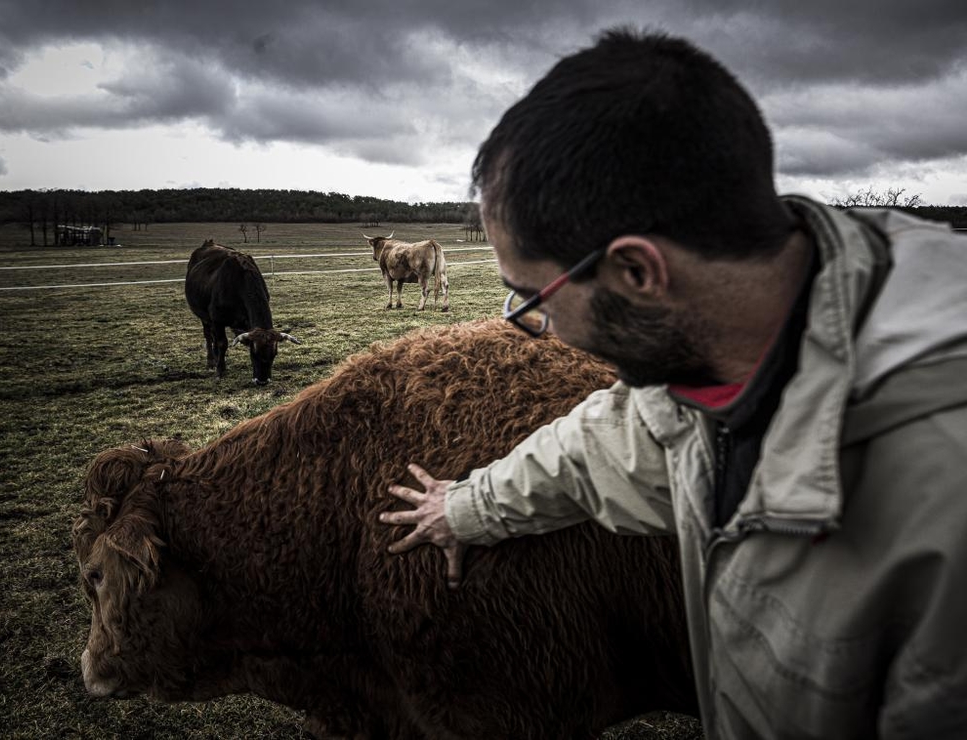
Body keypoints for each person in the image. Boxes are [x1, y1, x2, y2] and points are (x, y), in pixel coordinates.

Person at [378, 27, 967, 740]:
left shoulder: (943, 490)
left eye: (529, 297)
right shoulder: (722, 354)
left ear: (636, 273)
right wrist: (466, 507)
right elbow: (604, 445)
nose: (530, 326)